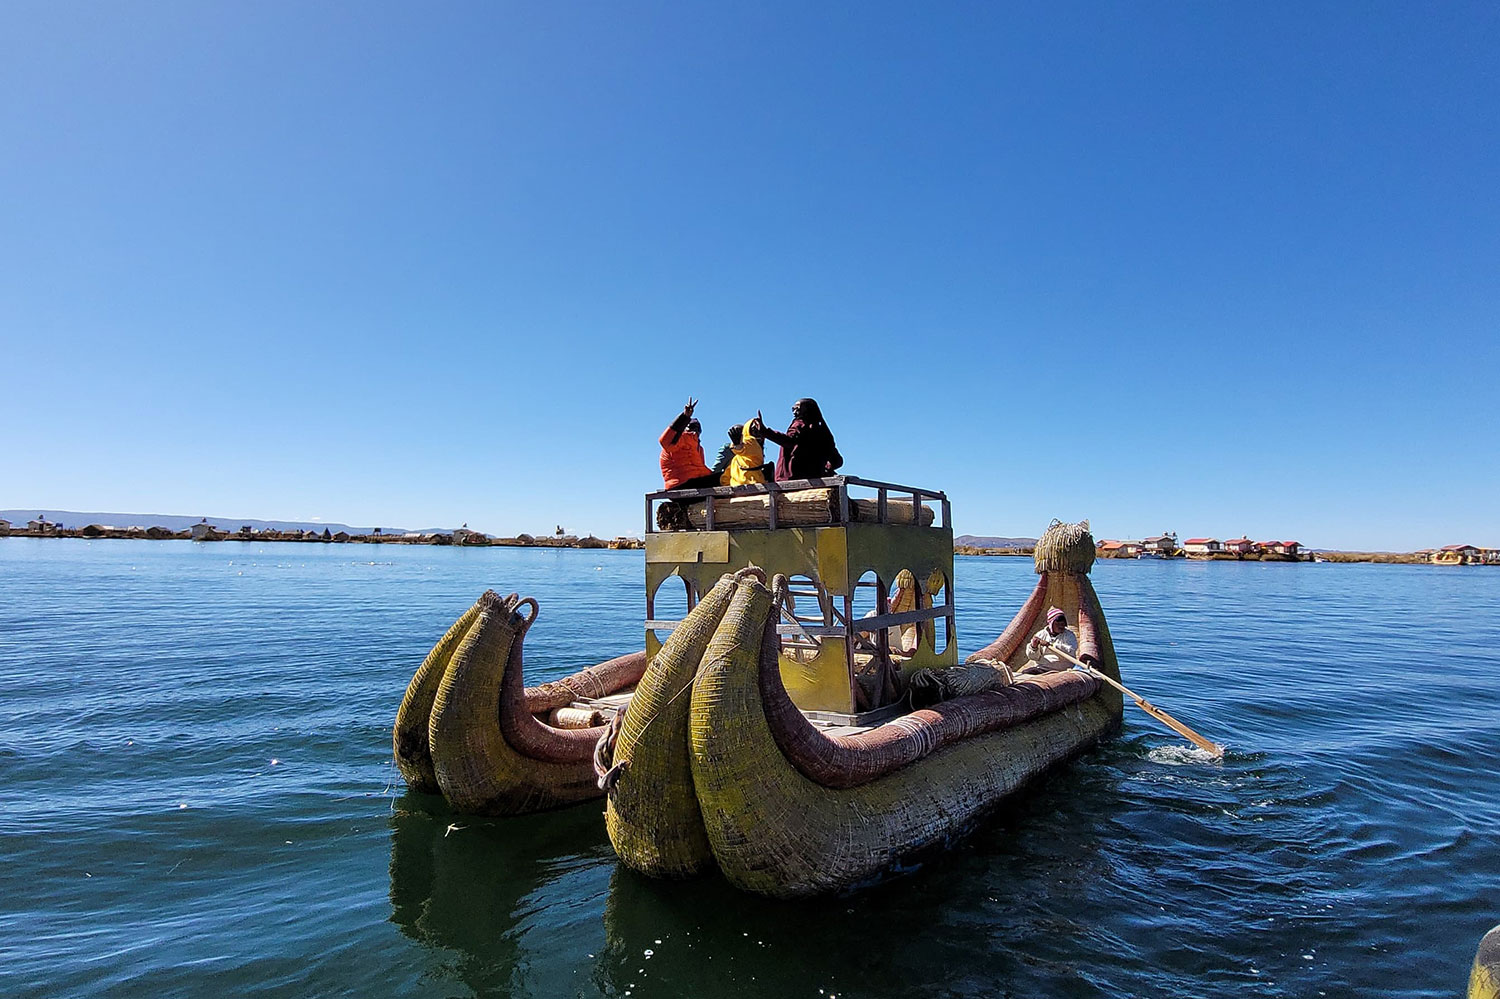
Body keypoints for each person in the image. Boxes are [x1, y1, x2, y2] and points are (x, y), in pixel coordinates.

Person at [754, 398, 843, 481]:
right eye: (793, 409)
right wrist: (825, 469)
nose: (794, 412)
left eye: (797, 409)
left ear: (807, 410)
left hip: (790, 479)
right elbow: (837, 460)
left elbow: (789, 441)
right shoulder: (822, 431)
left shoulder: (800, 424)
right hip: (814, 479)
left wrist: (765, 431)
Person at [658, 398, 722, 491]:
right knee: (723, 479)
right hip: (680, 484)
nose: (694, 432)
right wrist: (684, 417)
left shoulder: (699, 448)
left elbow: (699, 468)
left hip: (694, 482)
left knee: (726, 477)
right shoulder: (677, 441)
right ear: (684, 429)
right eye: (692, 428)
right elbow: (665, 441)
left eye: (697, 429)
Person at [1023, 607, 1078, 673]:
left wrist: (1050, 645)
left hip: (1064, 670)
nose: (1061, 627)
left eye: (1062, 624)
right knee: (1026, 673)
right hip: (1043, 669)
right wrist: (1033, 647)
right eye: (1058, 624)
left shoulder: (1069, 635)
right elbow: (1033, 657)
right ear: (1051, 624)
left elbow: (1070, 651)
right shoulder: (1040, 635)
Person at [720, 421, 768, 487]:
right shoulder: (736, 459)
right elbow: (725, 479)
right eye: (754, 429)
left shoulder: (754, 444)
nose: (757, 432)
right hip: (739, 492)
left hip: (754, 488)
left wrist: (737, 445)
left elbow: (744, 447)